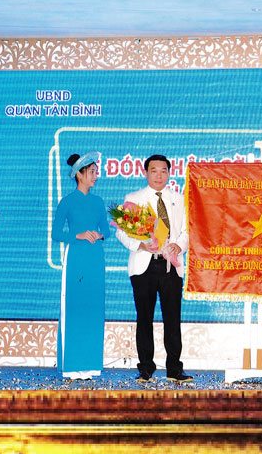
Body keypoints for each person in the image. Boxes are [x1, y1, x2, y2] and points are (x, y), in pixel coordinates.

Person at [115, 154, 193, 384]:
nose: (159, 176)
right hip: (144, 265)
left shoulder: (179, 199)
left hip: (171, 265)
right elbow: (122, 232)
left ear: (169, 173)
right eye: (154, 171)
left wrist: (179, 245)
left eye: (163, 171)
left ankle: (174, 369)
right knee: (144, 318)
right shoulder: (134, 199)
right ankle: (146, 369)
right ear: (145, 173)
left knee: (173, 318)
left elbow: (187, 230)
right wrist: (140, 244)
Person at [50, 152, 110, 380]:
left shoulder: (98, 202)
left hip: (95, 258)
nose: (96, 176)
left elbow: (106, 230)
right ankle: (72, 365)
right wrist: (79, 235)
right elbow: (56, 233)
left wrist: (99, 234)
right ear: (80, 174)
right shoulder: (67, 201)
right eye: (92, 172)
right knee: (75, 307)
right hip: (76, 257)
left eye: (96, 172)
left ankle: (91, 364)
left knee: (93, 308)